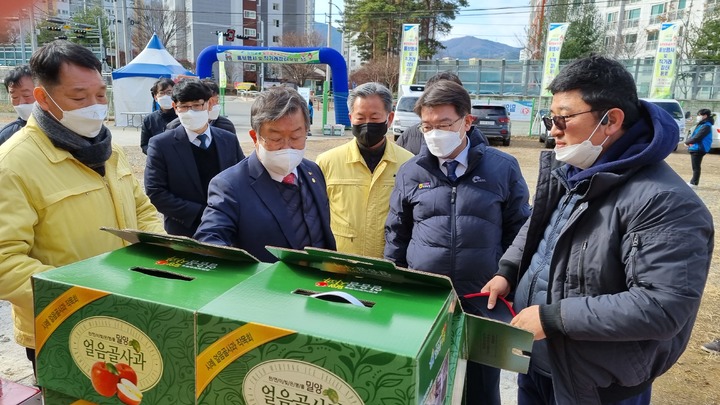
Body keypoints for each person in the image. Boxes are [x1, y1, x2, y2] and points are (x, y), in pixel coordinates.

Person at [481, 55, 714, 405]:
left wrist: (554, 317)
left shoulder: (663, 201)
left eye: (563, 118)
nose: (553, 130)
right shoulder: (578, 168)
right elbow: (540, 227)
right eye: (550, 118)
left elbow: (662, 307)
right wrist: (508, 271)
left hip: (596, 382)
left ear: (611, 120)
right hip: (541, 362)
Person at [0, 40, 164, 372]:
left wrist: (163, 254)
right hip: (60, 326)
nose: (94, 107)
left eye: (101, 96)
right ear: (43, 99)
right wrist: (84, 295)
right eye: (79, 98)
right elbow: (5, 262)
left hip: (127, 313)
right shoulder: (14, 164)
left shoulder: (107, 149)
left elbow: (142, 210)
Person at [384, 79, 531, 405]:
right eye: (426, 126)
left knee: (480, 389)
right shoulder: (411, 171)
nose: (435, 133)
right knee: (426, 385)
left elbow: (520, 229)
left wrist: (507, 276)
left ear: (467, 121)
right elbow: (397, 232)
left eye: (444, 124)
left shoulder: (502, 168)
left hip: (481, 300)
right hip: (426, 301)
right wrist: (394, 283)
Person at [194, 86, 336, 262]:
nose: (287, 146)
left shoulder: (312, 171)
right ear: (255, 137)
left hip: (318, 283)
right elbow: (210, 239)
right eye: (276, 139)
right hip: (265, 286)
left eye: (296, 137)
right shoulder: (230, 185)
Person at [316, 82, 413, 258]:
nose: (367, 124)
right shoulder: (327, 162)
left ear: (389, 119)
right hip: (339, 266)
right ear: (350, 118)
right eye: (360, 118)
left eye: (375, 118)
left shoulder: (408, 163)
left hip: (390, 266)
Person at [144, 79, 245, 237]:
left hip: (228, 226)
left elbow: (242, 179)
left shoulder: (228, 139)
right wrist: (202, 213)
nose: (191, 111)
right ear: (175, 108)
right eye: (184, 106)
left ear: (208, 105)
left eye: (197, 105)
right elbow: (156, 192)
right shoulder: (161, 145)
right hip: (184, 229)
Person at [396, 71, 487, 155]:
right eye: (428, 127)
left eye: (444, 125)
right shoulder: (408, 138)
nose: (435, 134)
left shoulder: (478, 140)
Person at [166, 78, 236, 134]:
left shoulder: (227, 130)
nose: (190, 112)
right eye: (184, 106)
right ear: (175, 107)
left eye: (216, 101)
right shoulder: (172, 129)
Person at [140, 78, 177, 154]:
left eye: (169, 92)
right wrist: (155, 154)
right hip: (157, 161)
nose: (165, 96)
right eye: (162, 93)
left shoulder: (182, 117)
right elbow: (144, 145)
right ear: (155, 97)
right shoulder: (149, 120)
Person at [0, 65, 35, 145]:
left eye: (26, 95)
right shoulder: (7, 135)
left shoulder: (63, 127)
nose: (21, 102)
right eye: (14, 97)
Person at [685, 108, 714, 188]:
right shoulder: (703, 124)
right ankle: (693, 182)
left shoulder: (706, 125)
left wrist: (687, 142)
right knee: (695, 166)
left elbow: (698, 137)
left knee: (696, 166)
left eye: (699, 115)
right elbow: (694, 135)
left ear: (705, 116)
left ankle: (694, 183)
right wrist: (689, 141)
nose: (698, 116)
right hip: (696, 147)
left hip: (699, 148)